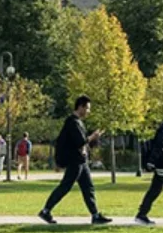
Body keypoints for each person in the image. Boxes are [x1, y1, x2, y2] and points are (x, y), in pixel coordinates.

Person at [39, 95, 111, 225]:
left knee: (88, 188)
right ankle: (45, 211)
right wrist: (92, 137)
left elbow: (83, 143)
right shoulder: (72, 122)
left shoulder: (78, 122)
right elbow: (80, 142)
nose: (89, 111)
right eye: (87, 108)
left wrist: (94, 139)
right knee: (65, 186)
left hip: (82, 161)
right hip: (75, 161)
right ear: (81, 107)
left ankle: (95, 215)